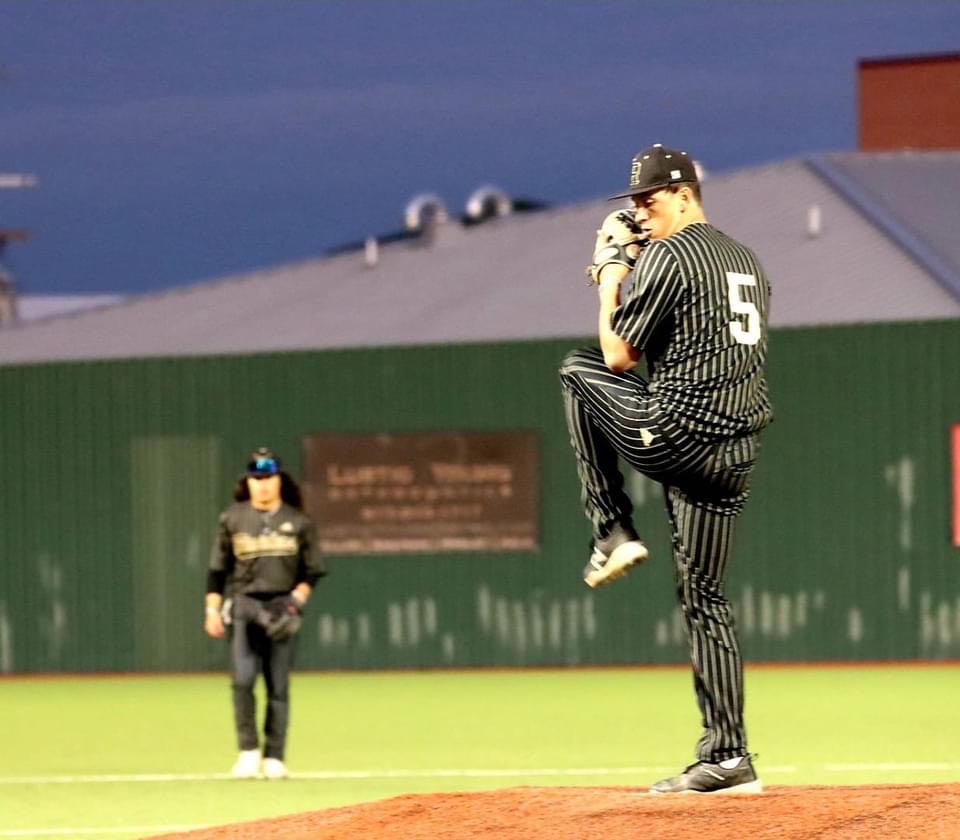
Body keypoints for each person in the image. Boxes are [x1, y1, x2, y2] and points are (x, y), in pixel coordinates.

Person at [559, 144, 773, 794]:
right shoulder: (747, 259)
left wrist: (608, 270)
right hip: (734, 454)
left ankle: (612, 531)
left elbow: (618, 354)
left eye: (649, 201)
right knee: (704, 597)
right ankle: (729, 758)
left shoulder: (672, 254)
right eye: (633, 205)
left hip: (680, 433)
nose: (640, 212)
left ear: (684, 193)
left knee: (577, 370)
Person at [203, 447, 327, 780]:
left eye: (268, 477)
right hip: (245, 606)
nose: (263, 484)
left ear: (279, 480)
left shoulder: (299, 521)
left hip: (281, 606)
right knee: (242, 681)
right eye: (256, 478)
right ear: (248, 481)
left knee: (278, 684)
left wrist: (296, 600)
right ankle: (248, 752)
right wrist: (212, 609)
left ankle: (274, 756)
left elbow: (312, 570)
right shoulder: (232, 519)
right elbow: (217, 570)